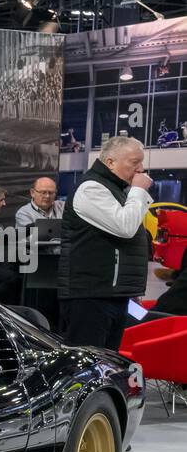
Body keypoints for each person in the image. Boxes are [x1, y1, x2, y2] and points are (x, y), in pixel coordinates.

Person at [59, 136, 153, 349]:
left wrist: (130, 290)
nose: (141, 169)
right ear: (110, 162)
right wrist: (139, 191)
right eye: (134, 162)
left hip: (112, 293)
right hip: (91, 295)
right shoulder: (91, 188)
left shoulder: (116, 189)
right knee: (88, 366)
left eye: (141, 162)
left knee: (108, 364)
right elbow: (125, 227)